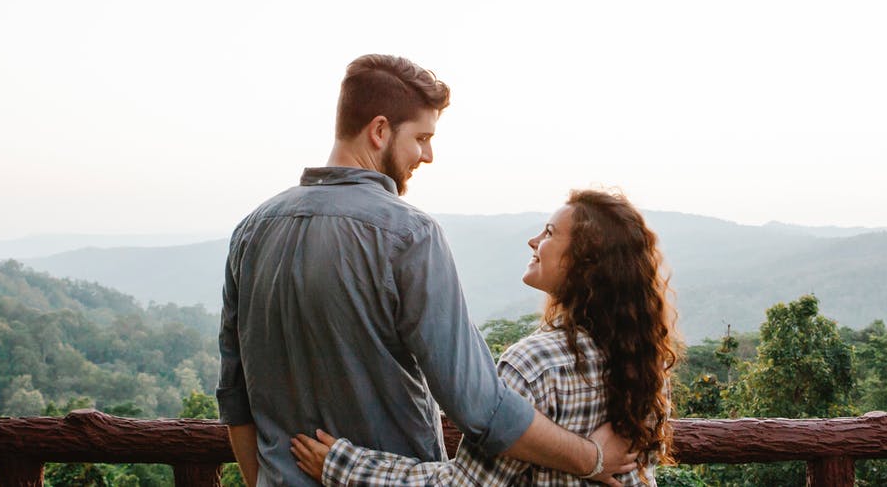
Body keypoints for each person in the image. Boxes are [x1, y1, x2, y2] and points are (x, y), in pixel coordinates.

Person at [218, 55, 636, 487]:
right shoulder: (410, 235)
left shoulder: (250, 231)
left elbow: (235, 400)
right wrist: (590, 458)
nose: (428, 155)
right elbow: (482, 407)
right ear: (380, 130)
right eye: (421, 137)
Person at [291, 188, 679, 486]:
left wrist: (342, 465)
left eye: (548, 232)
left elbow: (464, 484)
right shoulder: (646, 359)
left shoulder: (534, 366)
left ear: (585, 261)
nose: (533, 241)